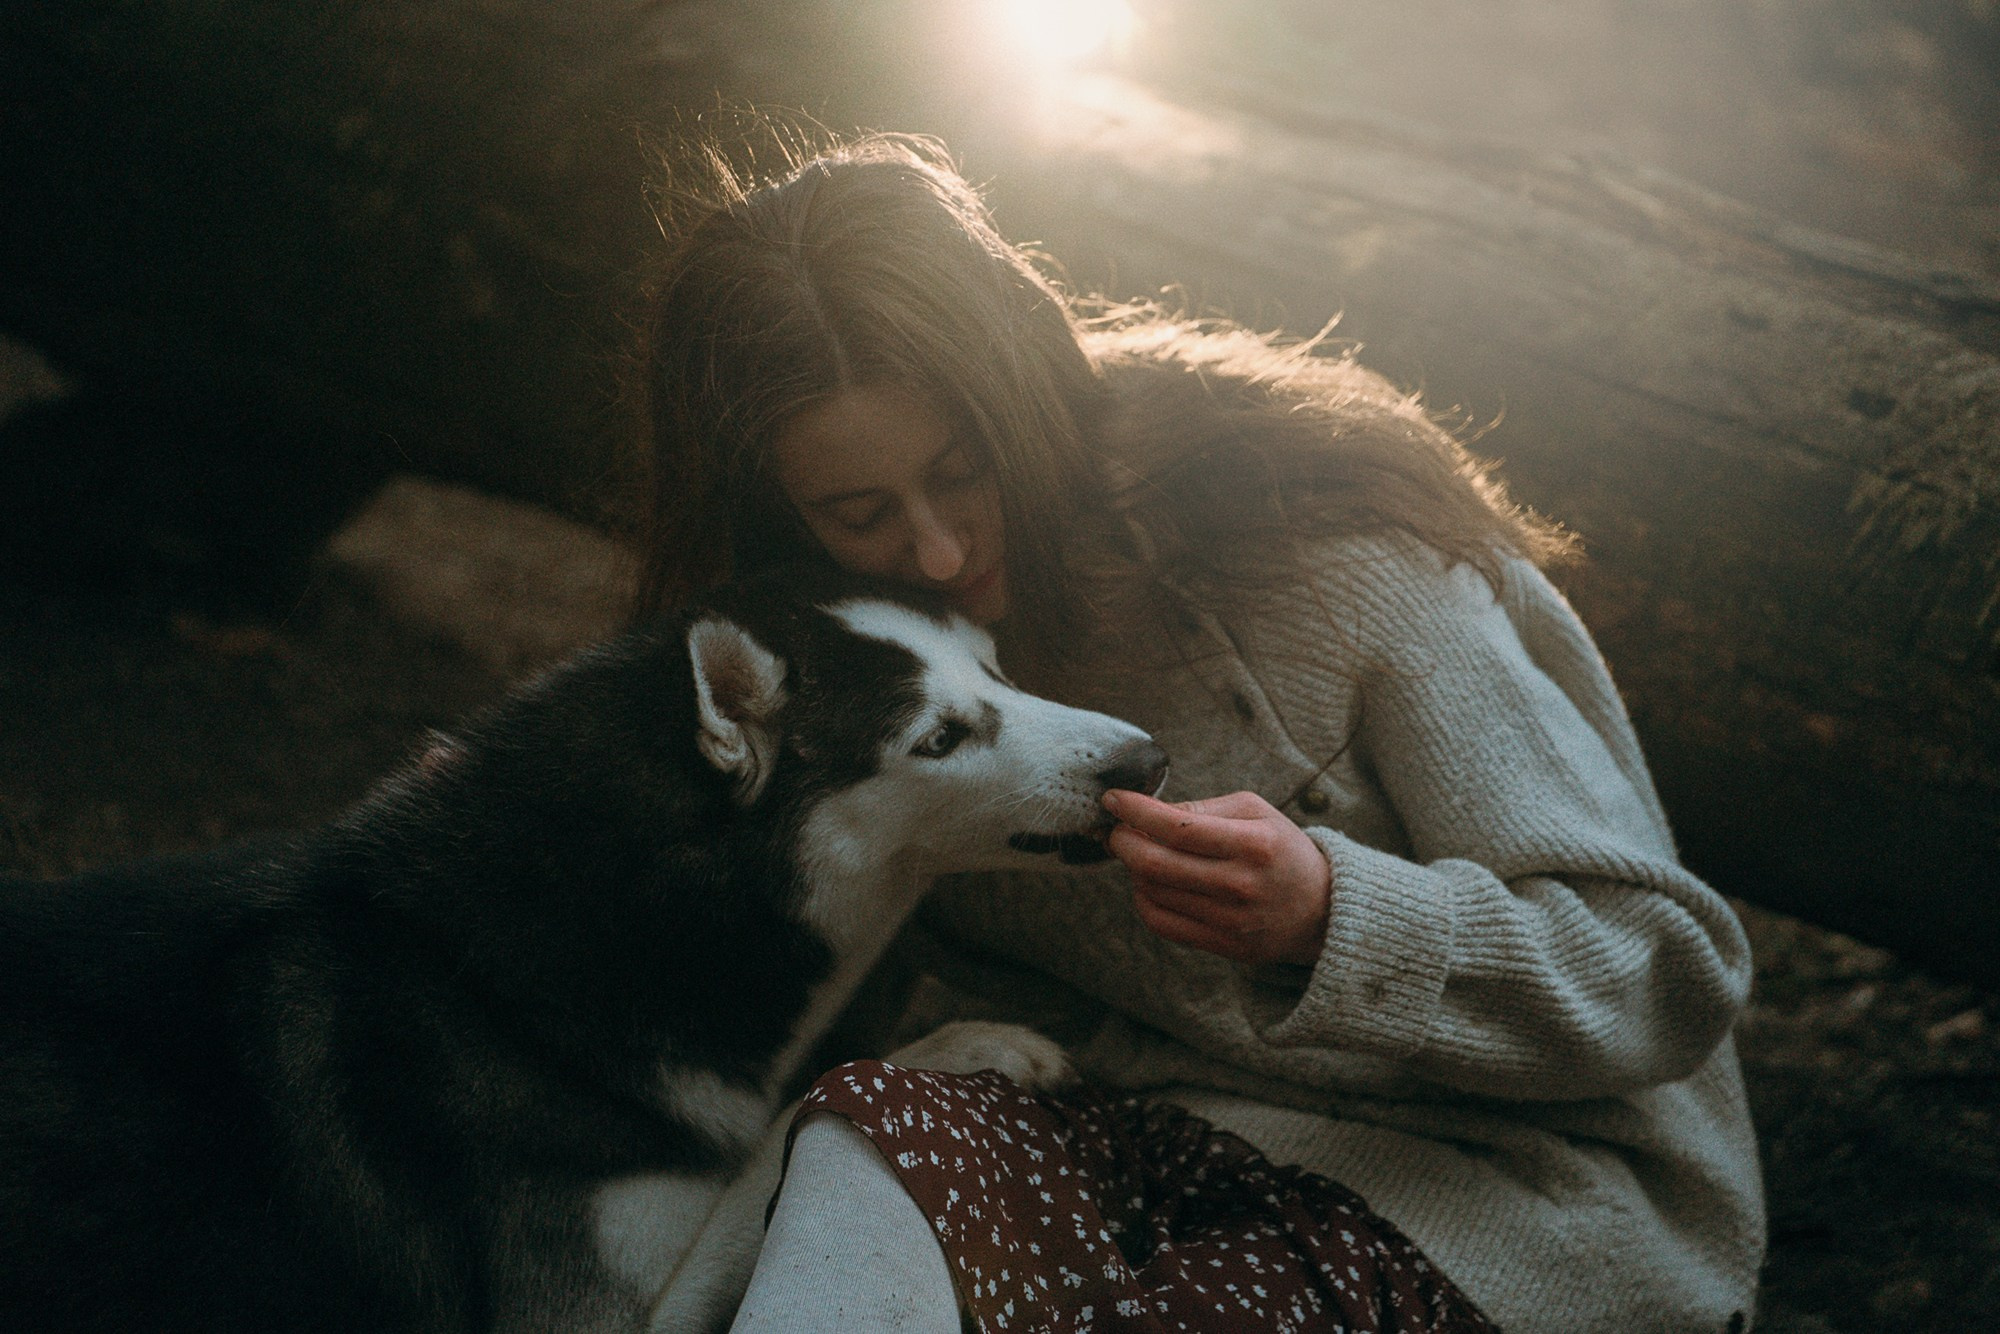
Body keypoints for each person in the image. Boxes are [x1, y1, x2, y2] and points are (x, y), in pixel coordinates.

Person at [629, 132, 1764, 1333]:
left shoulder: (1328, 552)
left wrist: (1333, 917)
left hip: (1503, 1194)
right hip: (1142, 1142)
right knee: (868, 1137)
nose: (941, 553)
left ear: (1023, 396)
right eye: (860, 514)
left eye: (966, 472)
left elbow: (1663, 972)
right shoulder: (822, 666)